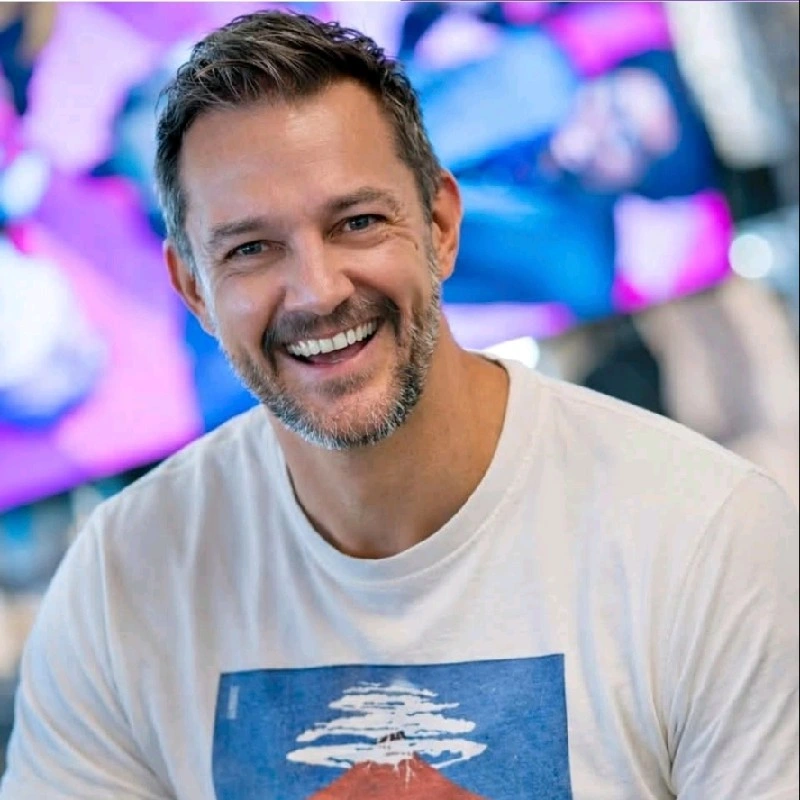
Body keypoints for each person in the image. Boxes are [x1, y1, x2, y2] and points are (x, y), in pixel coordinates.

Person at [1, 10, 797, 799]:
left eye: (357, 223)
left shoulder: (701, 534)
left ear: (440, 225)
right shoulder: (123, 579)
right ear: (194, 289)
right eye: (251, 248)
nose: (316, 291)